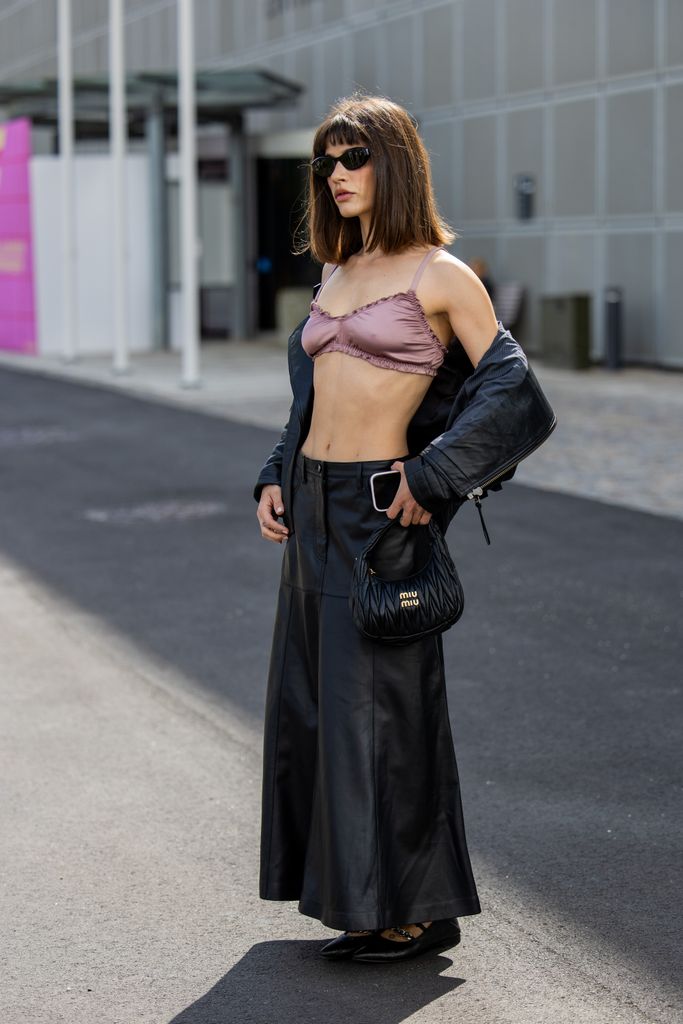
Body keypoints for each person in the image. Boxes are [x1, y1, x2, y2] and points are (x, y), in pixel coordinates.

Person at [253, 93, 556, 965]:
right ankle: (361, 899)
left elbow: (512, 391)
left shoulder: (440, 274)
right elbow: (306, 404)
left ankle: (418, 909)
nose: (338, 176)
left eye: (354, 158)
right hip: (310, 505)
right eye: (326, 163)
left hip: (379, 510)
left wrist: (433, 477)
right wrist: (276, 475)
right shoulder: (336, 274)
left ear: (395, 164)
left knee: (381, 711)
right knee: (316, 710)